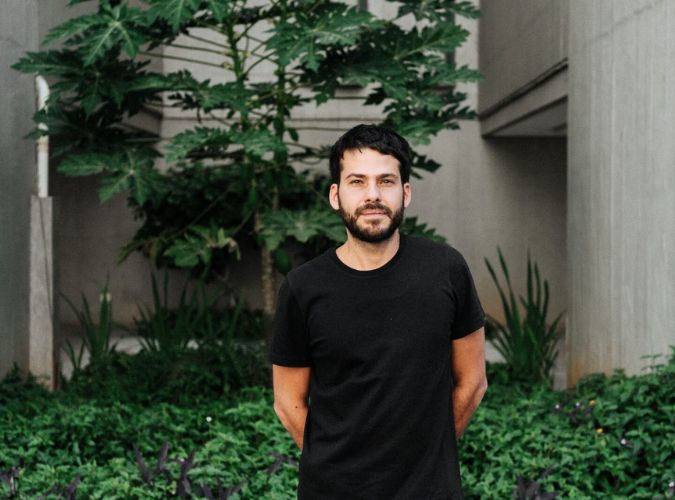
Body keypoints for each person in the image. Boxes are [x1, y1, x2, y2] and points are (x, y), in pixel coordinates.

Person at [269, 124, 488, 499]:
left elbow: (473, 383)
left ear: (406, 192)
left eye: (386, 181)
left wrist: (428, 457)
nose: (373, 195)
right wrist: (338, 467)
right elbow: (288, 404)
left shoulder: (446, 270)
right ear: (335, 195)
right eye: (357, 182)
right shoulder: (303, 288)